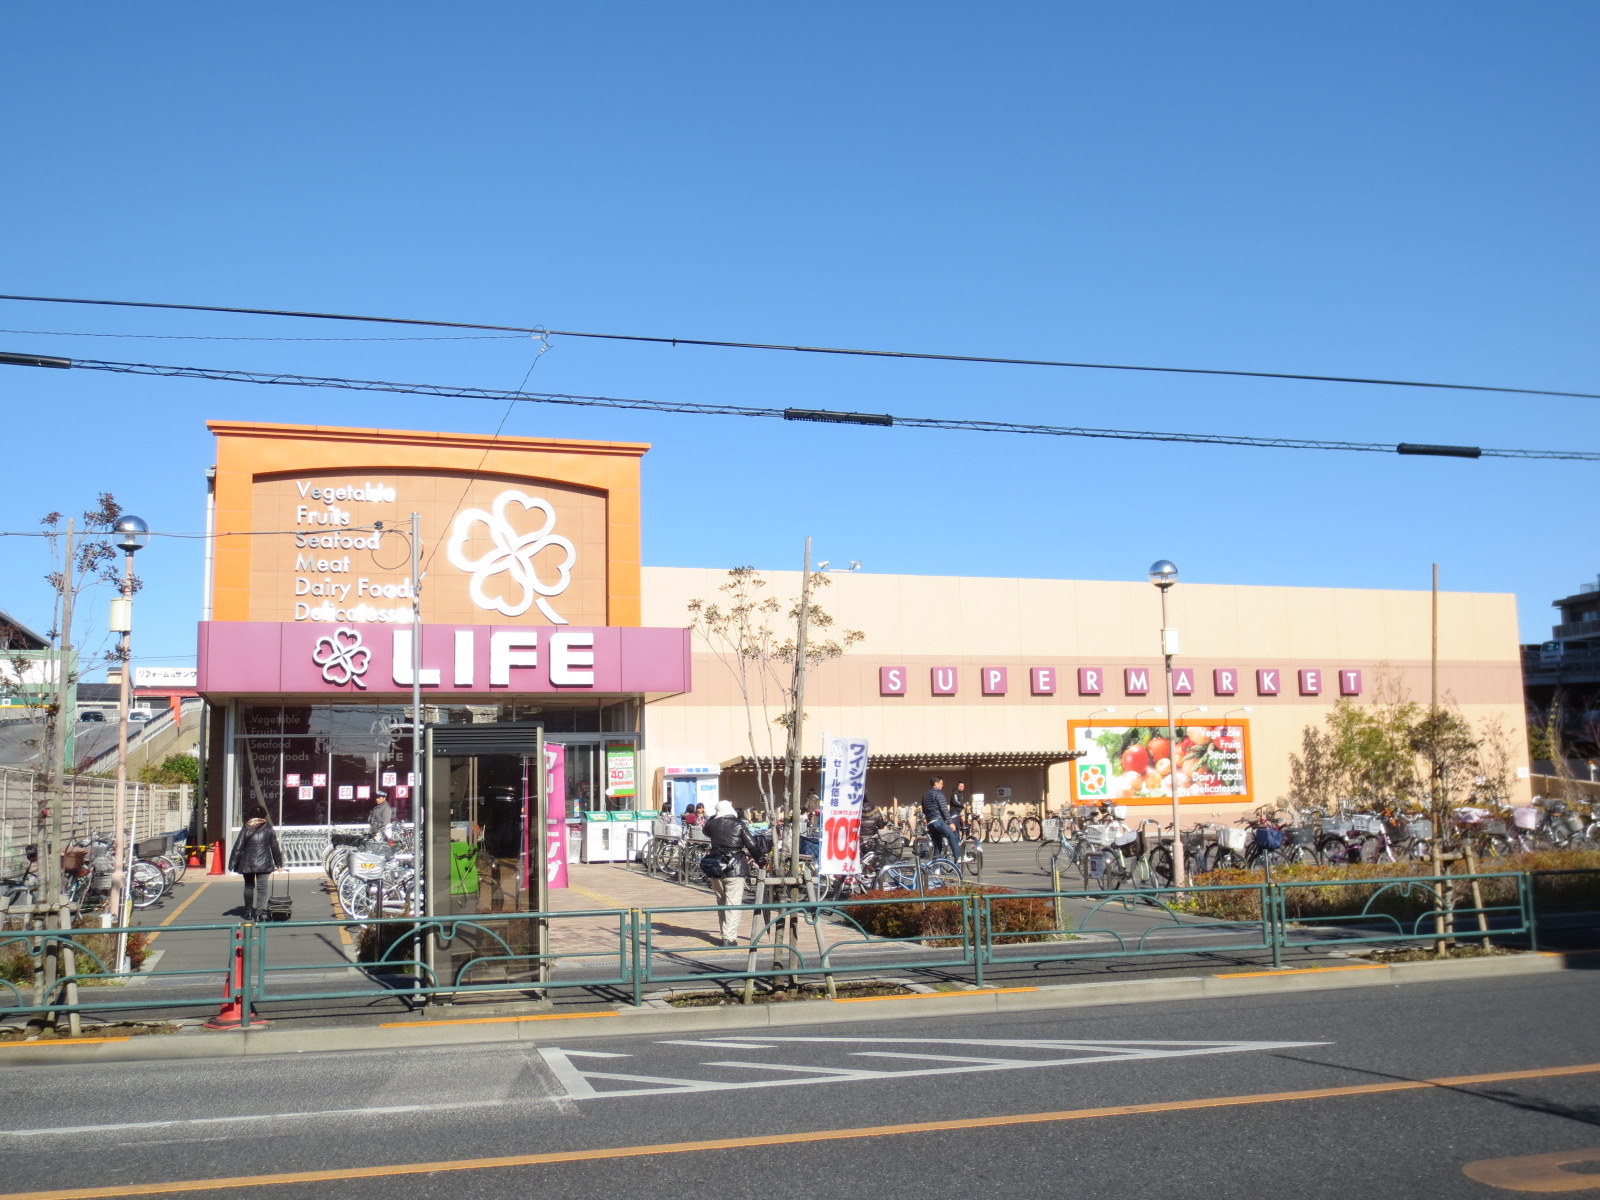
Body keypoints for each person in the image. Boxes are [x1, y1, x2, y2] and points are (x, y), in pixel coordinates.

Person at [702, 800, 766, 947]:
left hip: (716, 867)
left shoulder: (712, 825)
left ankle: (724, 934)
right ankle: (729, 938)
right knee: (733, 903)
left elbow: (705, 830)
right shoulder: (739, 824)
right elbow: (752, 845)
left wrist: (714, 817)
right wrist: (760, 860)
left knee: (721, 902)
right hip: (735, 868)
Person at [228, 803, 283, 921]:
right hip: (264, 863)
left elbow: (238, 847)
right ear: (264, 815)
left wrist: (232, 863)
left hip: (248, 863)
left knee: (249, 887)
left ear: (251, 815)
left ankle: (248, 912)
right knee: (262, 888)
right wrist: (279, 863)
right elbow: (275, 847)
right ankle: (258, 913)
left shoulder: (245, 828)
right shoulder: (269, 829)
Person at [921, 775, 956, 860]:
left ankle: (936, 866)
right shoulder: (938, 793)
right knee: (952, 836)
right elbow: (944, 809)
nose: (942, 785)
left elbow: (924, 810)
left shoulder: (925, 795)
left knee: (937, 845)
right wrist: (950, 822)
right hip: (938, 820)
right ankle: (959, 857)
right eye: (941, 783)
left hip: (930, 822)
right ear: (936, 783)